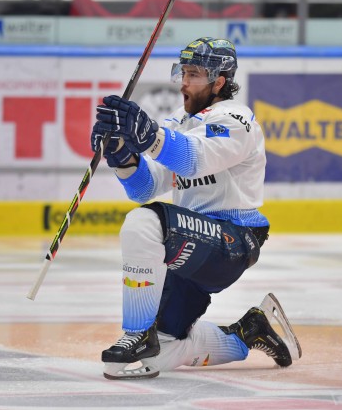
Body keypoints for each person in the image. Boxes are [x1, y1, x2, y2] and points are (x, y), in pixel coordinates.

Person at [90, 37, 301, 380]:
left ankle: (136, 332)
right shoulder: (179, 120)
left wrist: (149, 137)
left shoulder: (236, 119)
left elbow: (193, 159)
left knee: (143, 224)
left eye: (194, 74)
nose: (184, 83)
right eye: (182, 72)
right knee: (162, 353)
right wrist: (122, 156)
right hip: (190, 245)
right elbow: (145, 187)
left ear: (219, 81)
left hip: (232, 240)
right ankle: (248, 332)